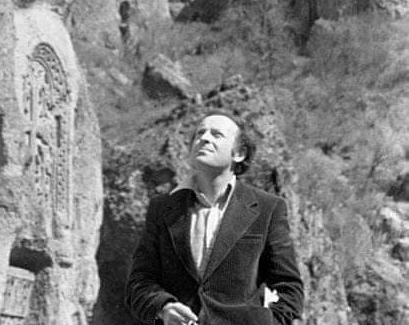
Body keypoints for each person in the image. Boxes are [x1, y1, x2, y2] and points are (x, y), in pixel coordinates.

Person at [125, 112, 304, 325]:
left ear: (239, 153)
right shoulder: (162, 208)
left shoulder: (267, 208)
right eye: (200, 133)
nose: (205, 138)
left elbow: (289, 287)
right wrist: (163, 307)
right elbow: (139, 282)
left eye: (216, 134)